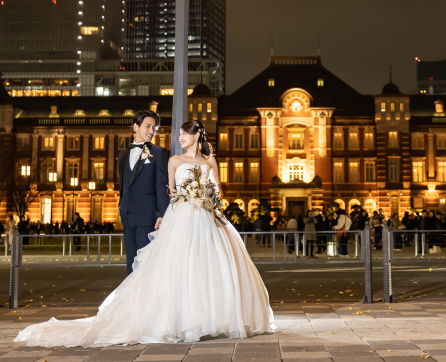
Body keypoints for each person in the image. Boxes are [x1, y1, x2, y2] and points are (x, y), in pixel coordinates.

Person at [15, 119, 275, 346]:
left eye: (184, 134)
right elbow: (170, 192)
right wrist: (183, 200)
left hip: (208, 215)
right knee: (178, 266)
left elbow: (218, 188)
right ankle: (180, 319)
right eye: (179, 135)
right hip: (183, 215)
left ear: (196, 136)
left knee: (210, 266)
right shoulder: (174, 160)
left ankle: (214, 317)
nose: (180, 138)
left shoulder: (210, 160)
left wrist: (209, 199)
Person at [116, 110, 170, 275]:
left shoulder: (159, 153)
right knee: (131, 261)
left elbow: (162, 185)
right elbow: (124, 184)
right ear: (135, 127)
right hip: (128, 215)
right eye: (148, 126)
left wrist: (163, 214)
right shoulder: (122, 155)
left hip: (148, 217)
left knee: (146, 263)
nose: (152, 131)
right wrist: (121, 207)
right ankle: (131, 298)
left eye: (154, 127)